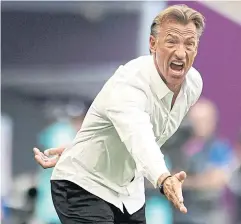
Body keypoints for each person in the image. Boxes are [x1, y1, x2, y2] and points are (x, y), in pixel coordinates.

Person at [33, 4, 205, 224]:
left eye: (189, 44)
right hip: (83, 184)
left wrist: (86, 145)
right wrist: (164, 178)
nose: (181, 52)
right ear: (152, 44)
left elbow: (140, 135)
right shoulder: (129, 84)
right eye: (171, 41)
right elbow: (139, 136)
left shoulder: (193, 85)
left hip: (129, 193)